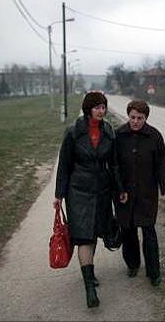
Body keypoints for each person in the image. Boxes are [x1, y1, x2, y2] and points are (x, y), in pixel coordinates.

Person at [54, 91, 127, 308]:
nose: (101, 111)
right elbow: (64, 165)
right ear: (88, 109)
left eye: (104, 107)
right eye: (97, 107)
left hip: (102, 189)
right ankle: (89, 288)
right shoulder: (73, 132)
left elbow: (114, 164)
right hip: (78, 190)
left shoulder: (108, 131)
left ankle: (89, 273)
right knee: (84, 236)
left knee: (93, 232)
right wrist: (59, 195)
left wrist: (120, 188)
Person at [115, 99, 165, 286]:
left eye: (140, 118)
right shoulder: (119, 135)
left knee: (149, 231)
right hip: (124, 194)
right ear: (128, 116)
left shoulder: (154, 136)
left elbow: (162, 163)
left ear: (146, 118)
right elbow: (114, 165)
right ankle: (132, 264)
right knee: (128, 231)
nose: (135, 121)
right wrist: (118, 188)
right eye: (132, 117)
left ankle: (154, 272)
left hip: (147, 193)